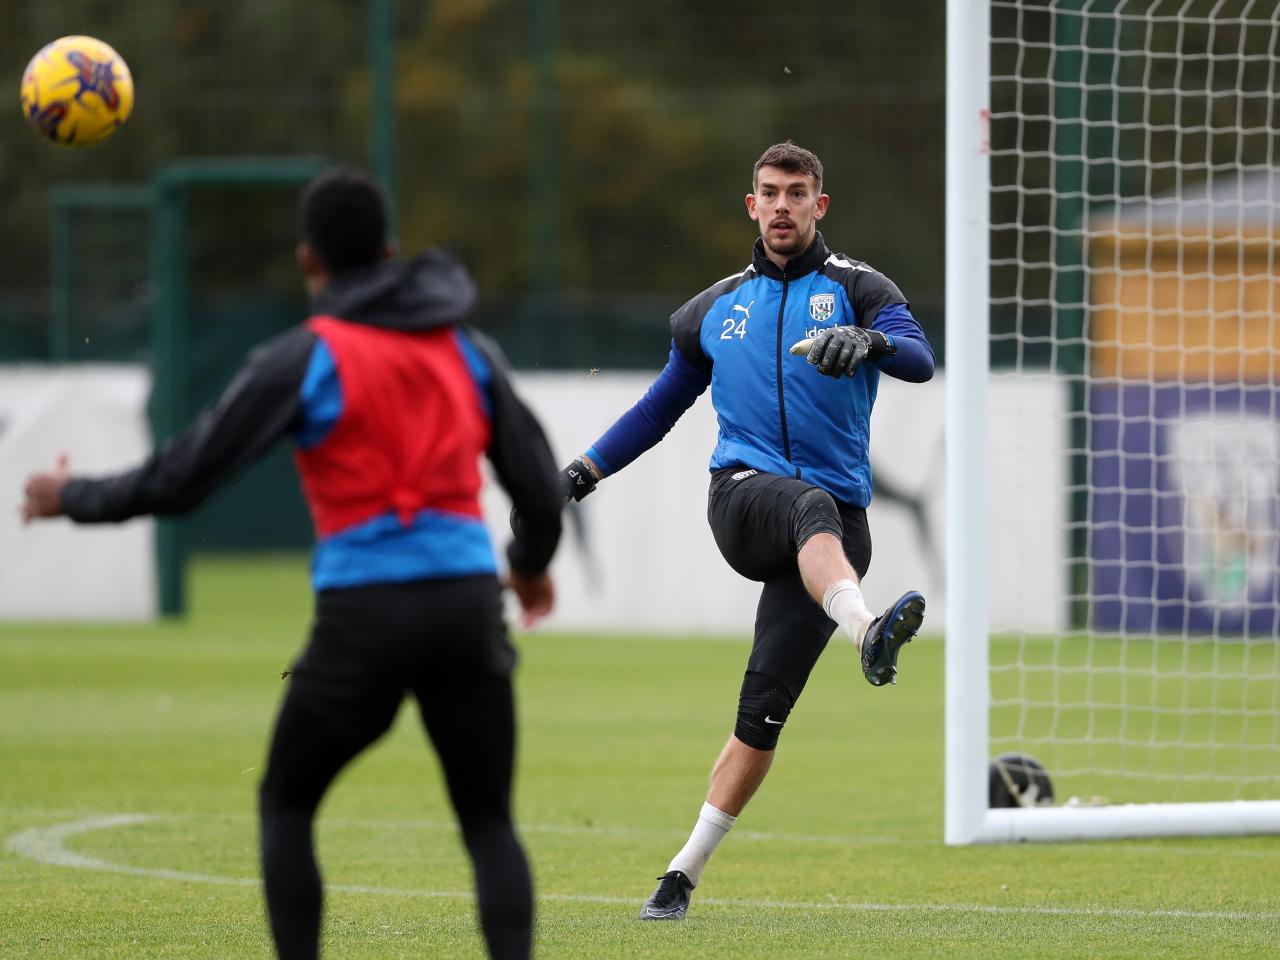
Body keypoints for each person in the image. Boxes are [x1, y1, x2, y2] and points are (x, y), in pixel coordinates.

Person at [21, 167, 563, 960]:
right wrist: (529, 564)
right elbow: (539, 487)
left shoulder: (306, 356)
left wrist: (73, 496)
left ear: (309, 263)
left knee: (286, 802)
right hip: (463, 606)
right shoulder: (467, 350)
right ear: (388, 250)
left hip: (363, 617)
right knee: (487, 822)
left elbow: (182, 478)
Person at [559, 142, 935, 920]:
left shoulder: (861, 289)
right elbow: (660, 409)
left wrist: (872, 341)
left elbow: (921, 360)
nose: (783, 205)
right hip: (743, 502)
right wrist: (584, 472)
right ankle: (869, 632)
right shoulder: (711, 310)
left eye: (798, 193)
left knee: (761, 714)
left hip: (836, 532)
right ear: (751, 204)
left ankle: (679, 877)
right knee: (809, 507)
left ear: (820, 205)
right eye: (770, 192)